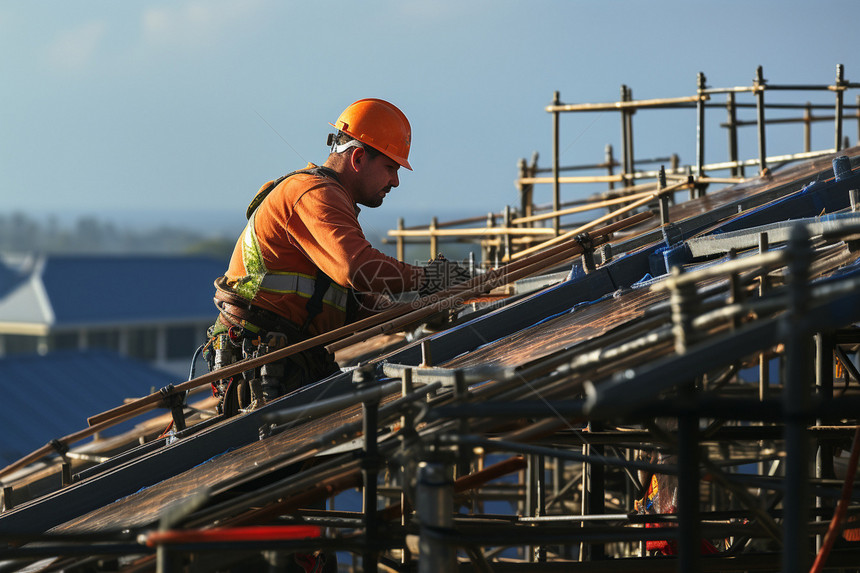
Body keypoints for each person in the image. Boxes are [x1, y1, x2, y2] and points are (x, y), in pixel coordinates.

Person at [205, 98, 469, 412]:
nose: (396, 181)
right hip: (266, 356)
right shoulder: (315, 194)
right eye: (390, 167)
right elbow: (356, 267)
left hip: (285, 355)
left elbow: (358, 305)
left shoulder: (331, 202)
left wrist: (422, 310)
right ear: (358, 157)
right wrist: (428, 278)